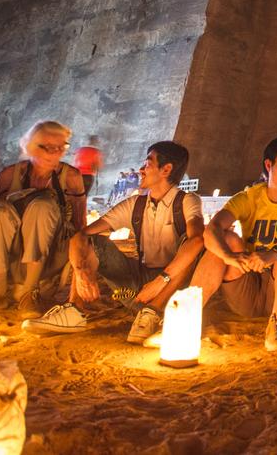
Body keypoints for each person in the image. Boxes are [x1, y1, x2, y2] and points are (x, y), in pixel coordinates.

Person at [26, 141, 205, 343]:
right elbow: (80, 237)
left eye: (147, 164)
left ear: (166, 169)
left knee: (190, 245)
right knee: (92, 241)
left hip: (173, 294)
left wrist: (160, 281)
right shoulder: (134, 205)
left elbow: (197, 241)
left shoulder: (187, 201)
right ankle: (74, 311)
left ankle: (152, 314)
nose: (141, 170)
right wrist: (80, 271)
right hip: (133, 292)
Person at [188, 136, 277, 351]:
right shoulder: (249, 197)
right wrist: (228, 256)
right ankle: (188, 314)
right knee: (227, 239)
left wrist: (274, 254)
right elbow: (213, 228)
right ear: (269, 165)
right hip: (247, 285)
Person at [0, 120, 87, 316]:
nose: (55, 152)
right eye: (47, 147)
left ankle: (30, 292)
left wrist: (80, 273)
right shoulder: (9, 175)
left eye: (61, 147)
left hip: (50, 254)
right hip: (11, 254)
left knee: (42, 206)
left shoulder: (70, 177)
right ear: (30, 146)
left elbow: (79, 226)